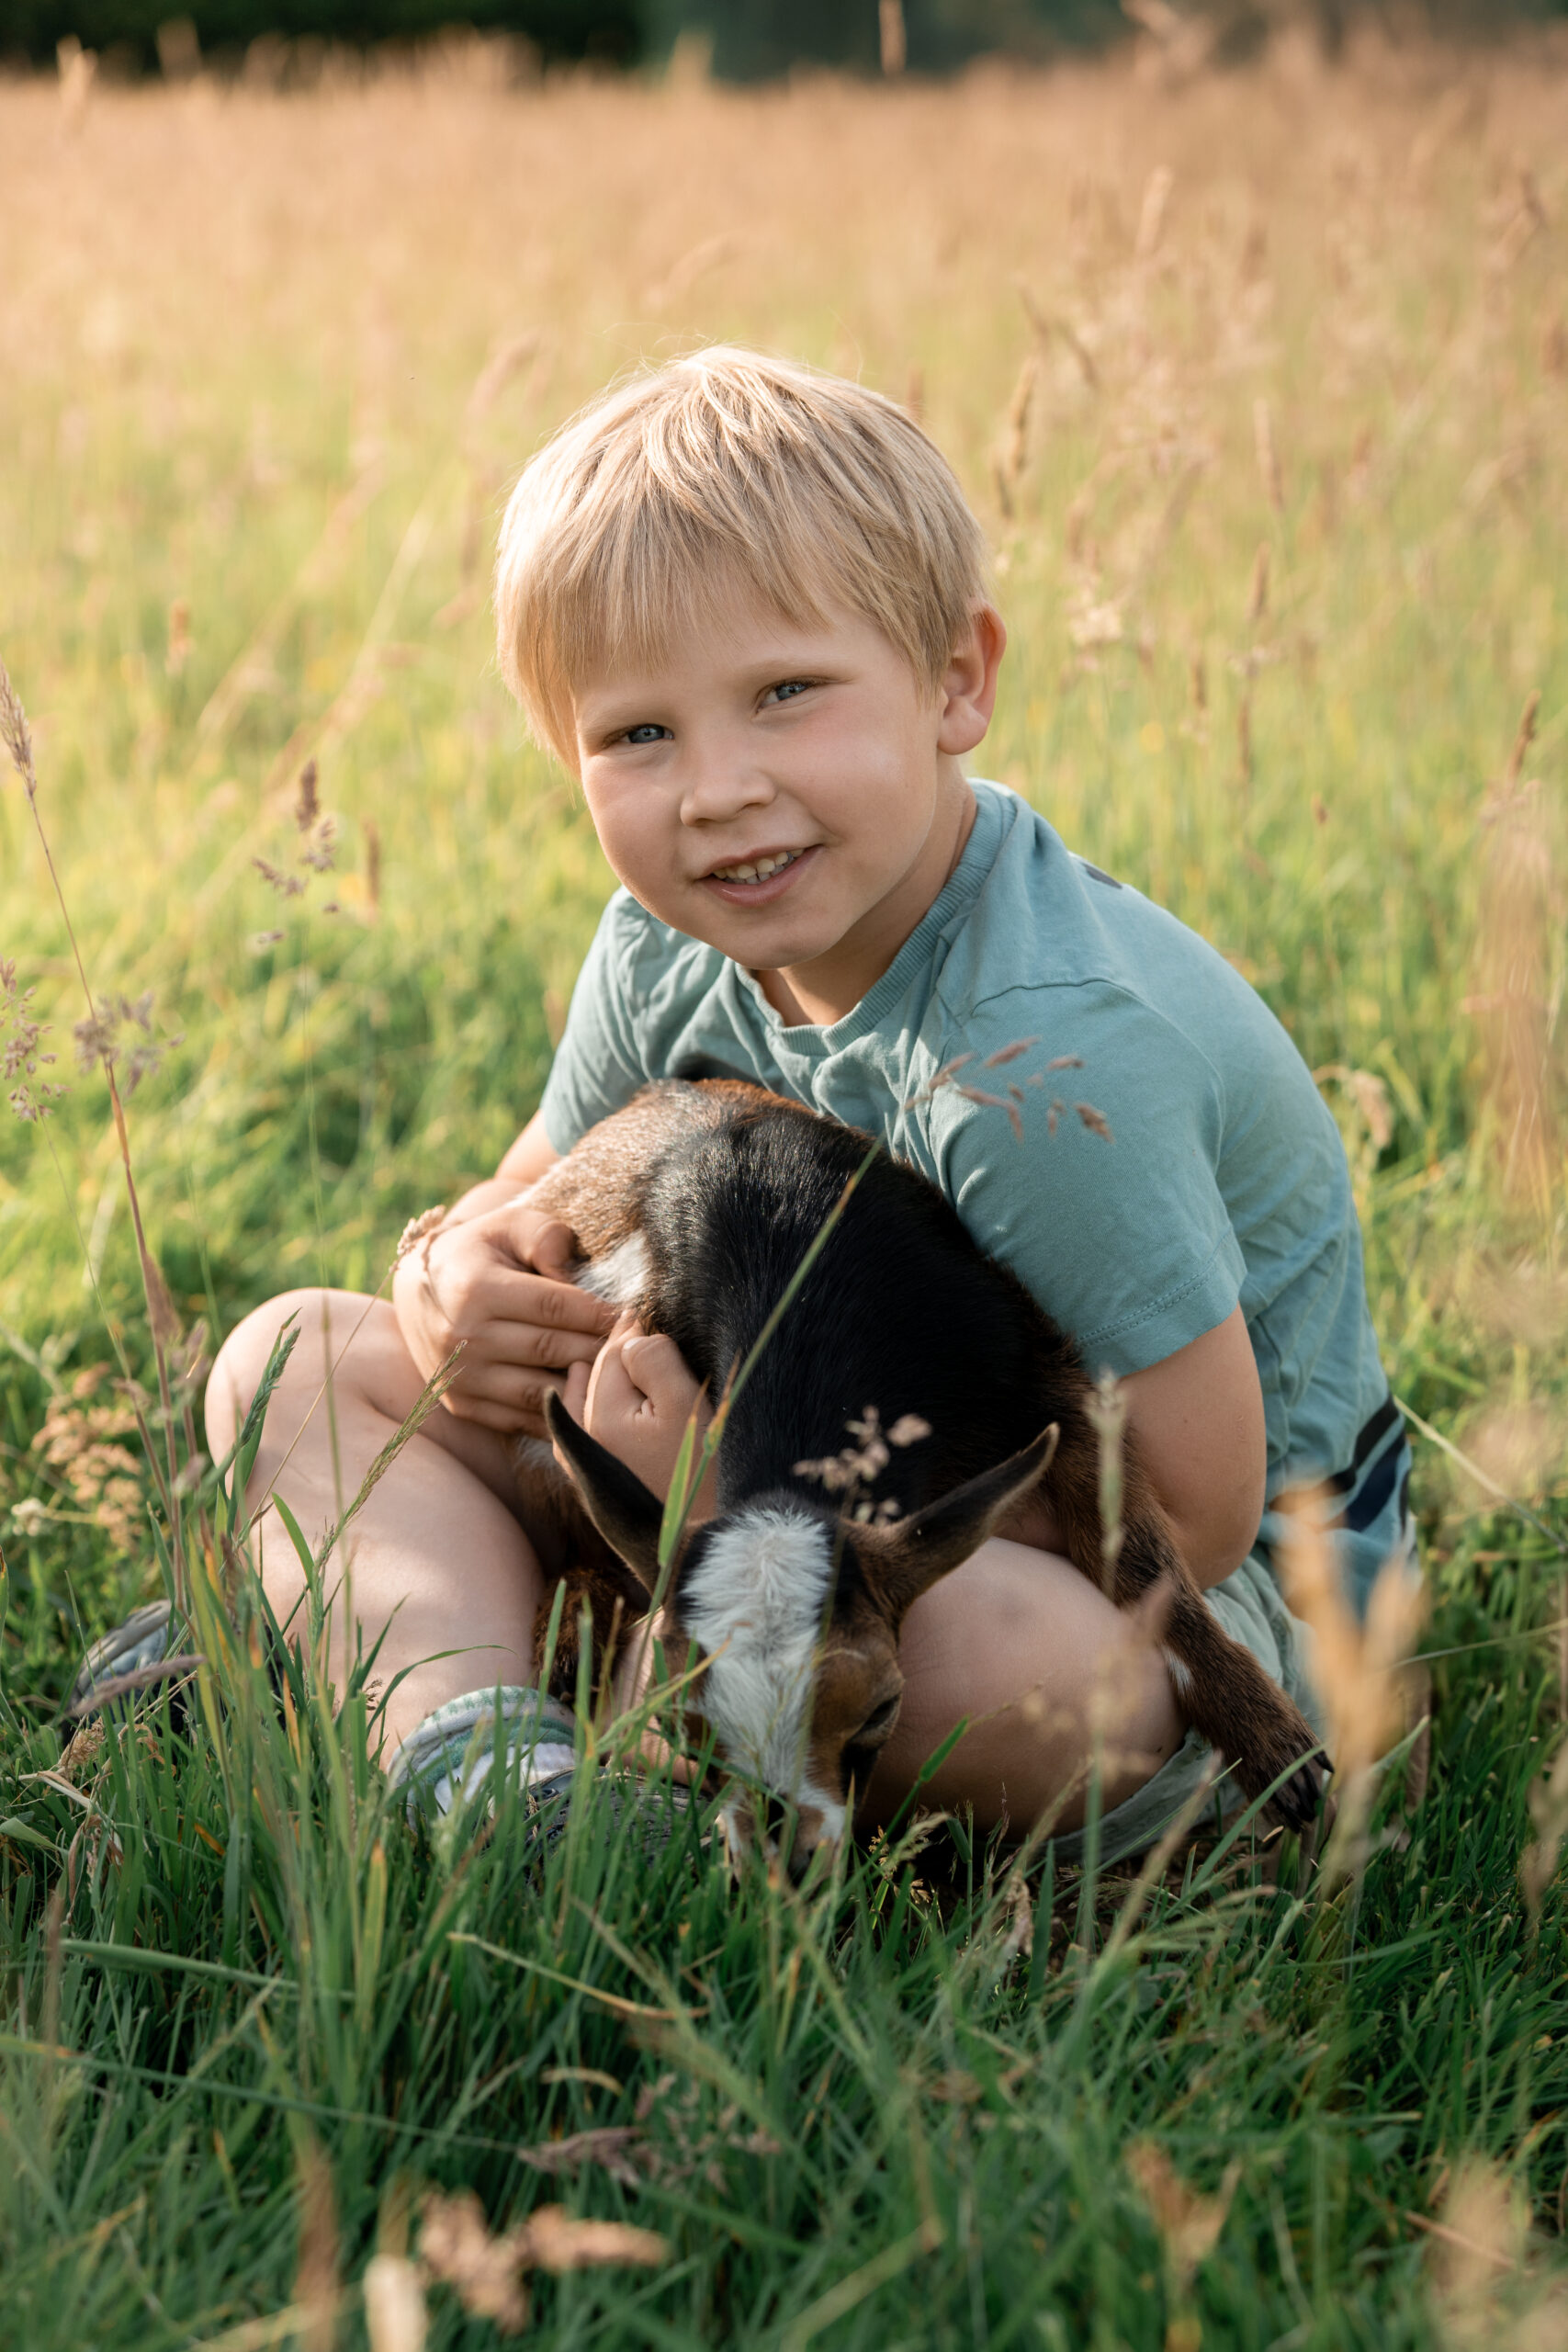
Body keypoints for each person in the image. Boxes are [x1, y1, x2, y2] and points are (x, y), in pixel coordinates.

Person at [82, 348, 1412, 1859]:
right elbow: (532, 1205)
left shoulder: (1040, 1070)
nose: (716, 789)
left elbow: (1190, 1519)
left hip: (1179, 1610)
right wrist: (448, 1278)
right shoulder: (669, 936)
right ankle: (478, 1760)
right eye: (639, 734)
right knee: (286, 1362)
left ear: (957, 681)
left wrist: (722, 1504)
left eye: (786, 694)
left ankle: (424, 1638)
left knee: (984, 1673)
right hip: (764, 1498)